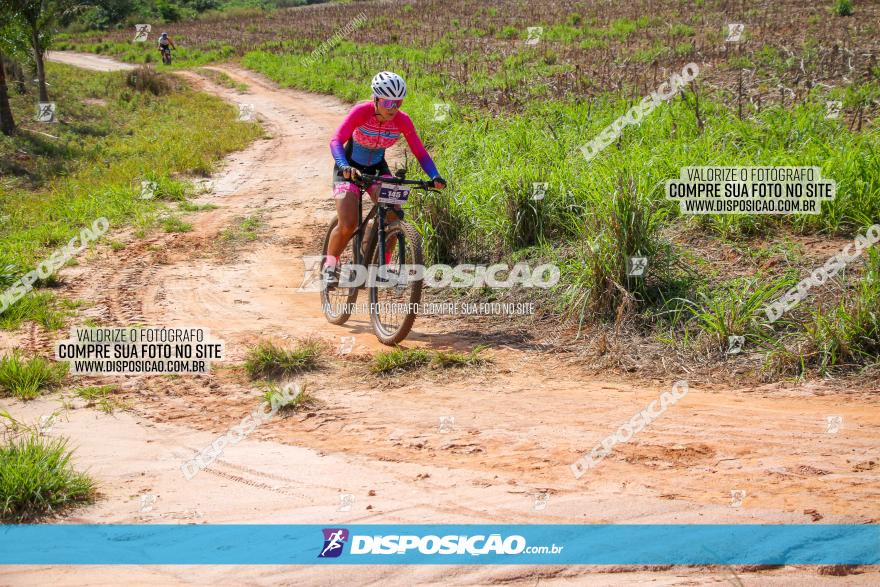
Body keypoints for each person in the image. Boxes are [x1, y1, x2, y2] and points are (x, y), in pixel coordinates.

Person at [325, 71, 446, 285]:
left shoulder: (402, 120)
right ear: (376, 99)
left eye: (398, 103)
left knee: (393, 215)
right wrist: (344, 165)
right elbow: (336, 140)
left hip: (378, 169)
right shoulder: (361, 112)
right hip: (349, 168)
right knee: (348, 223)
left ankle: (378, 266)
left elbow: (420, 153)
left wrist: (434, 175)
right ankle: (329, 267)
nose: (393, 108)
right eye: (388, 102)